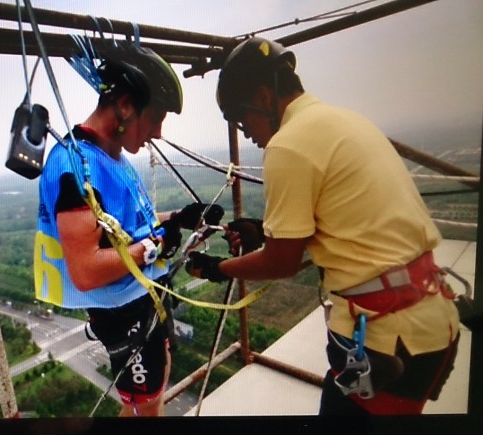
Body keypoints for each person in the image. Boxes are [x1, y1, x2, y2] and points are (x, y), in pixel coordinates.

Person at [186, 37, 460, 415]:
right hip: (430, 320)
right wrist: (262, 232)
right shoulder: (346, 120)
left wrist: (217, 268)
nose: (243, 131)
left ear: (265, 97)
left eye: (240, 117)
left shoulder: (288, 145)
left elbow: (280, 264)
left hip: (387, 339)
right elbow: (349, 230)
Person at [33, 45, 222, 416]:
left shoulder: (113, 157)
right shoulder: (75, 167)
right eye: (156, 117)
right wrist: (155, 246)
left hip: (140, 299)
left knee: (152, 391)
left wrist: (179, 218)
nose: (158, 132)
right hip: (120, 313)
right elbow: (85, 271)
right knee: (146, 407)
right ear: (124, 104)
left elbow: (127, 229)